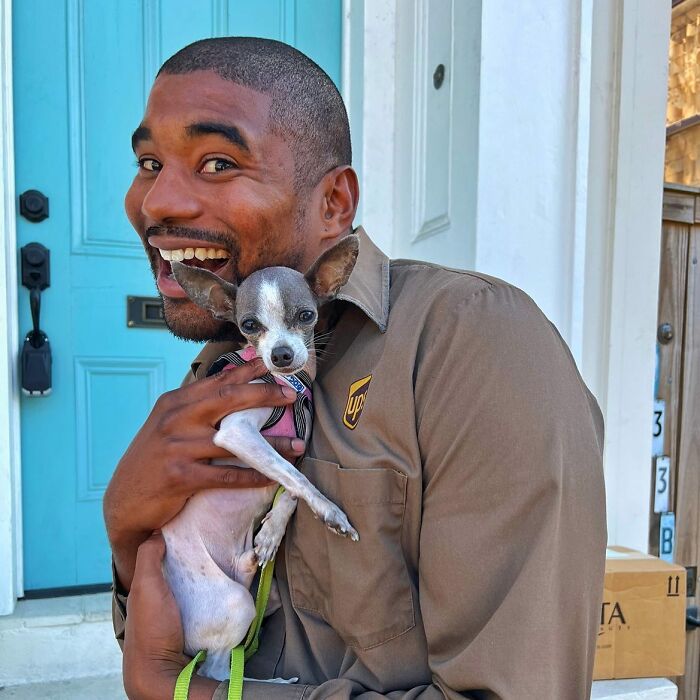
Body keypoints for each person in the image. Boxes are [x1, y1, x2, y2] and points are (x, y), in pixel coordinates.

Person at [104, 37, 607, 700]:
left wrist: (183, 694)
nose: (155, 202)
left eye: (218, 162)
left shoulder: (469, 344)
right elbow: (172, 632)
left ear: (335, 204)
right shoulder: (217, 377)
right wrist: (125, 526)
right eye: (148, 162)